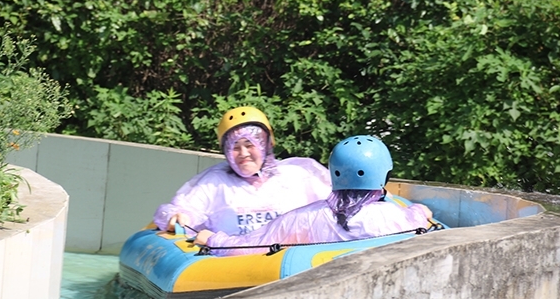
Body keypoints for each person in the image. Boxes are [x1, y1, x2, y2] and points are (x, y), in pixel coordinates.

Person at [193, 135, 433, 256]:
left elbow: (251, 246)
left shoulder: (304, 218)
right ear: (385, 175)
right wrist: (420, 210)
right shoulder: (396, 217)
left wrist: (213, 240)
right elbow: (420, 220)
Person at [153, 106, 332, 235]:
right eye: (235, 147)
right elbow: (182, 210)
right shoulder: (213, 183)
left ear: (268, 144)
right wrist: (178, 218)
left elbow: (337, 204)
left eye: (250, 144)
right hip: (233, 265)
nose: (243, 154)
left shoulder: (298, 175)